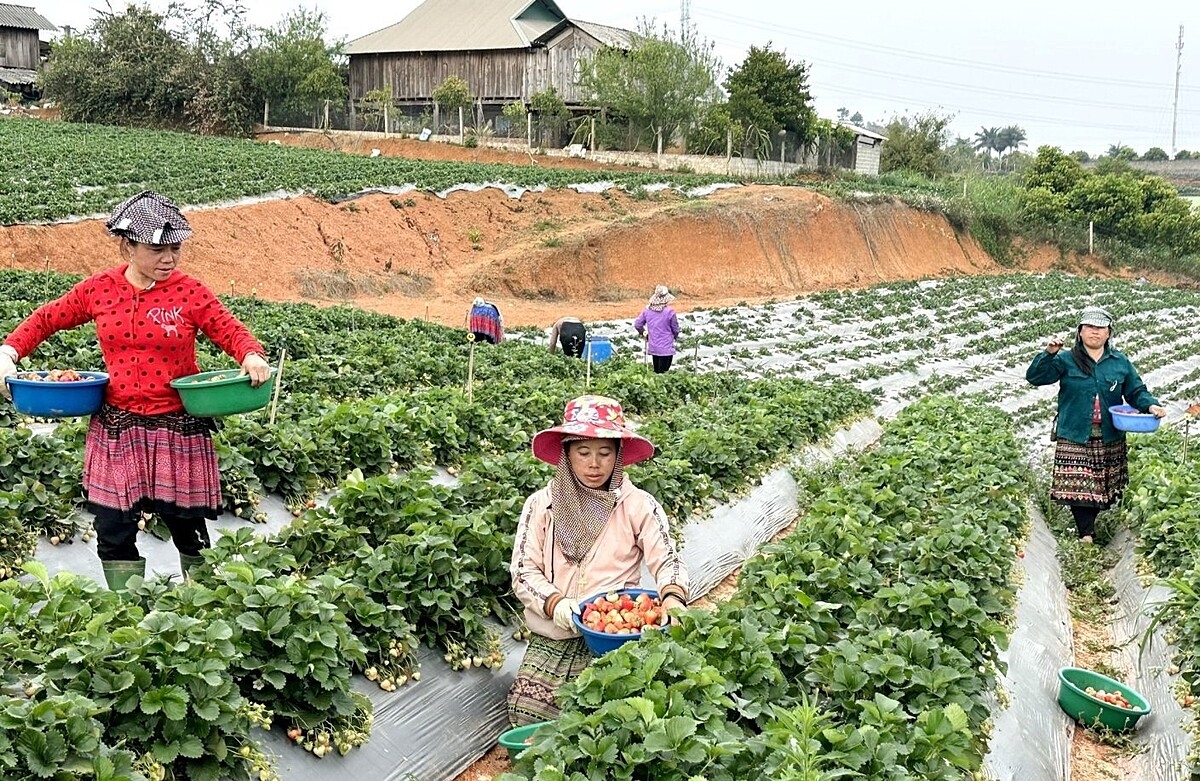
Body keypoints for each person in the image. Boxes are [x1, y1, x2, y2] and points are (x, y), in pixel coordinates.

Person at [0, 191, 272, 591]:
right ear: (128, 246)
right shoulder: (100, 289)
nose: (169, 259)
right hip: (117, 426)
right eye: (157, 249)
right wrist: (8, 350)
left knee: (186, 522)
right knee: (113, 526)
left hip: (175, 426)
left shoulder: (189, 292)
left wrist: (250, 354)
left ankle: (205, 602)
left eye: (175, 249)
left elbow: (227, 327)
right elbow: (47, 318)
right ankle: (127, 615)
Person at [507, 395, 689, 726]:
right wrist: (554, 603)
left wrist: (673, 598)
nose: (595, 464)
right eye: (583, 453)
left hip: (619, 633)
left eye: (605, 453)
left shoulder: (638, 505)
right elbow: (522, 570)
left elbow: (667, 558)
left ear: (618, 455)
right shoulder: (541, 505)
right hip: (556, 630)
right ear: (566, 454)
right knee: (528, 713)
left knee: (612, 717)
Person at [1026, 307, 1165, 543]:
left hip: (1109, 433)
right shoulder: (1065, 359)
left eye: (1100, 328)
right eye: (1089, 327)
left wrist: (1151, 406)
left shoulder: (1119, 362)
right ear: (1080, 332)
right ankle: (1086, 534)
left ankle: (1094, 525)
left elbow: (1135, 391)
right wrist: (1048, 353)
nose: (1095, 332)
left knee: (1102, 484)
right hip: (1074, 432)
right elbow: (1035, 377)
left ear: (1109, 333)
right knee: (1080, 484)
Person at [634, 285, 681, 374]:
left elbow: (638, 324)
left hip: (654, 347)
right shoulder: (670, 312)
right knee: (664, 373)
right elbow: (675, 329)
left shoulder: (647, 310)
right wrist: (675, 336)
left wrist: (645, 334)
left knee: (656, 372)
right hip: (666, 348)